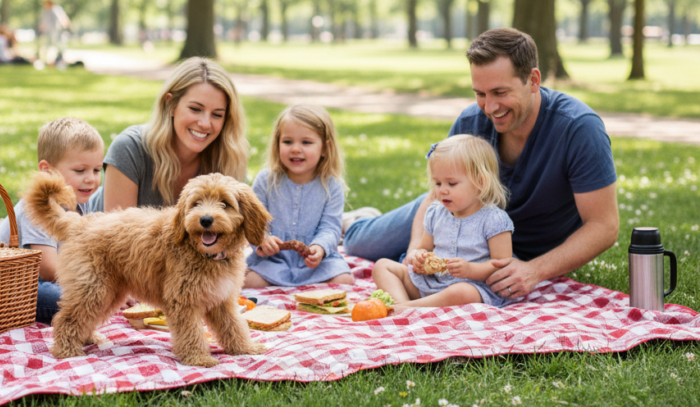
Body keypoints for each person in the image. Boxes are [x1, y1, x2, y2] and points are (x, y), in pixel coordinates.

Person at [344, 28, 619, 301]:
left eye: (500, 92)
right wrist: (418, 250)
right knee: (357, 243)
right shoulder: (470, 122)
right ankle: (353, 221)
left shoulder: (579, 129)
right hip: (454, 210)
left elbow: (604, 225)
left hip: (513, 248)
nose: (489, 107)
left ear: (533, 80)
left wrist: (534, 270)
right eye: (480, 93)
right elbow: (436, 197)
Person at [88, 57, 249, 213]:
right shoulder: (129, 148)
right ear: (170, 104)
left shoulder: (229, 158)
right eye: (195, 109)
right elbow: (118, 236)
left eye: (217, 115)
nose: (205, 123)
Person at [372, 134, 515, 308]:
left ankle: (409, 308)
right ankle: (403, 305)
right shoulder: (435, 212)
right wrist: (418, 257)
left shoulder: (494, 219)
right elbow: (424, 247)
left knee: (461, 292)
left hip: (471, 288)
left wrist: (471, 270)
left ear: (480, 182)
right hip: (431, 284)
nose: (442, 191)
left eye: (452, 184)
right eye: (438, 183)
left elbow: (502, 266)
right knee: (382, 266)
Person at [0, 117, 104, 324]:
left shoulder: (80, 197)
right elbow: (50, 270)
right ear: (47, 170)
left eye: (97, 170)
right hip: (12, 282)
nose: (91, 179)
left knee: (94, 294)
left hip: (47, 275)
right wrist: (90, 285)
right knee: (67, 298)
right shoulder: (39, 208)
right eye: (80, 170)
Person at [244, 104, 353, 288]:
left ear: (325, 148)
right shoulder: (266, 180)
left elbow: (331, 227)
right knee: (249, 281)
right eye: (287, 142)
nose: (295, 149)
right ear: (277, 143)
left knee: (344, 280)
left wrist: (319, 248)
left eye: (306, 142)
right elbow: (253, 221)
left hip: (315, 264)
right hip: (273, 261)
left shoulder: (331, 185)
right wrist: (262, 239)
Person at [38, 0, 71, 65]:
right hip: (48, 32)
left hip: (57, 31)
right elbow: (43, 21)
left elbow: (63, 17)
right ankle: (48, 60)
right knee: (48, 46)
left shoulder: (57, 9)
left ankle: (59, 60)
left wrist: (66, 23)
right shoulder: (45, 11)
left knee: (59, 45)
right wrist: (41, 28)